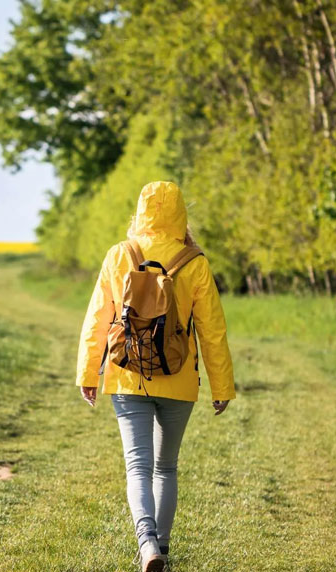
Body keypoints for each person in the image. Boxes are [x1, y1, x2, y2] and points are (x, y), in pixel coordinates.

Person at [75, 181, 235, 572]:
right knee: (166, 468)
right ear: (181, 214)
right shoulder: (194, 261)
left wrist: (88, 373)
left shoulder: (119, 256)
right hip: (179, 380)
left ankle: (147, 545)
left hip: (128, 376)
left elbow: (98, 319)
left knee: (138, 467)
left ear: (140, 212)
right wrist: (222, 386)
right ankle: (160, 547)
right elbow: (212, 330)